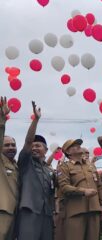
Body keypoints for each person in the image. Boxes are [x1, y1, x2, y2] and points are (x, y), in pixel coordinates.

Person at [17, 101, 56, 240]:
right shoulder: (26, 163)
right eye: (32, 146)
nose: (34, 148)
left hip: (47, 214)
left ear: (45, 150)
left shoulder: (49, 170)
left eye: (38, 146)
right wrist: (36, 120)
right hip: (30, 212)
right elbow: (28, 142)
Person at [57, 139, 102, 240]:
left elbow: (99, 186)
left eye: (79, 144)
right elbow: (64, 187)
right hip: (75, 212)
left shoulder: (91, 166)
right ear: (68, 152)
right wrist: (83, 191)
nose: (78, 146)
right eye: (73, 145)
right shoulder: (64, 167)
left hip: (94, 210)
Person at [0, 97, 19, 240]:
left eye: (13, 144)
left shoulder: (16, 165)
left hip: (16, 213)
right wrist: (2, 120)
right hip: (2, 211)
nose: (11, 147)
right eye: (7, 145)